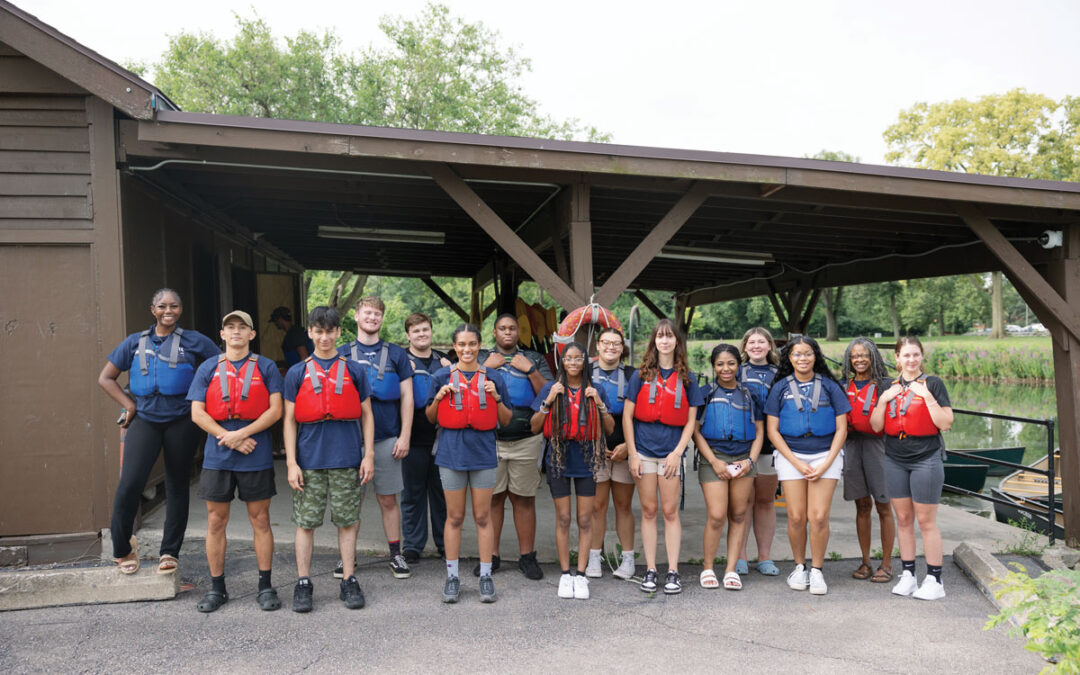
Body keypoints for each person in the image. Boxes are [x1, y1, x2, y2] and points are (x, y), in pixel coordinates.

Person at [98, 288, 220, 576]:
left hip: (181, 420)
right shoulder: (133, 343)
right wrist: (129, 405)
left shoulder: (195, 341)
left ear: (181, 310)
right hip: (145, 420)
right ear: (152, 309)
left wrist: (200, 401)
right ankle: (123, 548)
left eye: (174, 306)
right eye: (162, 306)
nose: (169, 310)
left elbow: (222, 367)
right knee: (129, 483)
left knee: (178, 484)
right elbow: (106, 378)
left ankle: (170, 551)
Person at [188, 310, 284, 612]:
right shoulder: (207, 367)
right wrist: (227, 437)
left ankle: (265, 586)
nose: (236, 332)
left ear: (252, 335)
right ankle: (217, 588)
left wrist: (241, 433)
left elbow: (275, 410)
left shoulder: (266, 367)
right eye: (230, 327)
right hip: (218, 453)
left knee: (261, 519)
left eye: (243, 328)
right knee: (216, 521)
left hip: (255, 449)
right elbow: (197, 412)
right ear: (222, 334)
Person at [283, 306, 375, 612]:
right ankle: (303, 582)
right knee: (305, 523)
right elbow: (288, 421)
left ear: (338, 332)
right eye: (318, 331)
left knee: (348, 522)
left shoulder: (355, 370)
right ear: (310, 333)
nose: (324, 337)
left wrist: (369, 454)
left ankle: (349, 579)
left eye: (330, 331)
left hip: (347, 457)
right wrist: (291, 463)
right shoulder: (297, 373)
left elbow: (367, 414)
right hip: (309, 460)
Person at [426, 323, 513, 603]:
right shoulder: (441, 376)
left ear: (479, 346)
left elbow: (507, 419)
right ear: (454, 347)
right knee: (454, 517)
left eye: (472, 344)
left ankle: (486, 576)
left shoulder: (495, 378)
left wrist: (496, 396)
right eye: (461, 345)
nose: (466, 349)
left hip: (483, 454)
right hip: (451, 454)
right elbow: (430, 417)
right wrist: (439, 398)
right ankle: (452, 577)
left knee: (483, 517)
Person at [870, 336, 953, 601]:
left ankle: (934, 579)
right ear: (897, 358)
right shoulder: (887, 385)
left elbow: (945, 423)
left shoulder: (934, 384)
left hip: (925, 457)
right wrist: (883, 400)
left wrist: (926, 396)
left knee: (926, 521)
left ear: (922, 356)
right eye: (906, 355)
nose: (911, 360)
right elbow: (875, 426)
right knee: (903, 519)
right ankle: (907, 574)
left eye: (916, 354)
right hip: (895, 457)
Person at [624, 318, 704, 595]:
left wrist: (678, 452)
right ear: (654, 341)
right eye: (660, 336)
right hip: (644, 451)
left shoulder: (688, 379)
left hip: (671, 454)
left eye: (670, 336)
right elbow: (627, 415)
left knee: (670, 512)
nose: (665, 340)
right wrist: (632, 453)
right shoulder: (640, 375)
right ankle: (650, 569)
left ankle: (672, 570)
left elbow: (691, 421)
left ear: (677, 342)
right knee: (648, 511)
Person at [765, 335, 850, 596]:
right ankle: (800, 566)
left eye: (808, 353)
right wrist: (796, 463)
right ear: (789, 358)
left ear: (816, 356)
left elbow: (842, 428)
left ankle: (817, 570)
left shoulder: (830, 386)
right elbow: (772, 431)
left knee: (819, 516)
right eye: (797, 354)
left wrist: (826, 463)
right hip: (792, 457)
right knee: (796, 516)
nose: (803, 358)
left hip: (826, 455)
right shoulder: (779, 387)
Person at [531, 342, 614, 600]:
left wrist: (599, 402)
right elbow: (534, 427)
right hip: (558, 456)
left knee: (585, 519)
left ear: (585, 361)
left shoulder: (595, 389)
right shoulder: (550, 387)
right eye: (569, 358)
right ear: (562, 362)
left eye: (578, 358)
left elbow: (609, 428)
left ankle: (582, 575)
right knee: (564, 518)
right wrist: (548, 400)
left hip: (586, 458)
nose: (574, 363)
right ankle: (566, 574)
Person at [338, 297, 414, 579]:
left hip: (387, 438)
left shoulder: (396, 354)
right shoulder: (342, 353)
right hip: (350, 440)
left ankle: (396, 554)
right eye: (367, 313)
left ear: (382, 319)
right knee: (351, 501)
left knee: (388, 499)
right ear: (356, 316)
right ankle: (348, 557)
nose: (372, 318)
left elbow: (407, 397)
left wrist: (404, 435)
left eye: (377, 314)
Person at [479, 314, 553, 580]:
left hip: (526, 438)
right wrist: (487, 365)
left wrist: (530, 371)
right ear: (494, 332)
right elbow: (465, 387)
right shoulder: (480, 357)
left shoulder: (534, 359)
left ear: (518, 332)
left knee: (524, 498)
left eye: (512, 328)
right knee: (493, 499)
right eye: (502, 328)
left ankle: (527, 557)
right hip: (490, 439)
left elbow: (549, 392)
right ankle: (491, 556)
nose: (508, 332)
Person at [693, 344, 765, 591]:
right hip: (714, 458)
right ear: (713, 366)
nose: (726, 368)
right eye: (720, 364)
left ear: (738, 365)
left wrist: (750, 461)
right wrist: (714, 461)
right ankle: (708, 567)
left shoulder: (750, 394)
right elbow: (695, 430)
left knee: (739, 514)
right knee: (716, 515)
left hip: (744, 459)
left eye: (731, 363)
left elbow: (759, 431)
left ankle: (732, 569)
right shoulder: (705, 393)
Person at [584, 327, 638, 581]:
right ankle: (595, 555)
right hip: (594, 447)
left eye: (616, 343)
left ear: (622, 347)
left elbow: (641, 415)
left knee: (624, 506)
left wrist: (629, 444)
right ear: (598, 345)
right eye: (606, 342)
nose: (610, 347)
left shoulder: (633, 375)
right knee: (597, 506)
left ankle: (628, 559)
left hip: (624, 448)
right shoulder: (585, 373)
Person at [841, 337, 896, 584]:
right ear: (849, 360)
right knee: (861, 505)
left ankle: (887, 563)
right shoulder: (844, 386)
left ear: (873, 356)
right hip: (853, 446)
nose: (860, 360)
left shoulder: (886, 385)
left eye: (864, 355)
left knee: (883, 504)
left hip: (879, 446)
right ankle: (865, 561)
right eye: (855, 356)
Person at [401, 312, 451, 562]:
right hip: (413, 436)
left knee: (441, 493)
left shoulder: (445, 362)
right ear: (408, 335)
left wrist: (450, 370)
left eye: (425, 329)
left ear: (431, 331)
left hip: (441, 438)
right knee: (413, 493)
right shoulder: (401, 361)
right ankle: (412, 545)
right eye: (416, 331)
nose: (421, 334)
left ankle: (444, 542)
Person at [734, 326, 781, 577]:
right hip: (743, 445)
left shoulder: (780, 374)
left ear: (770, 346)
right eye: (751, 342)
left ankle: (764, 557)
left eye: (761, 342)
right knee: (743, 503)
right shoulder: (736, 371)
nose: (756, 346)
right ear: (745, 347)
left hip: (770, 445)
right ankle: (739, 556)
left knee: (765, 501)